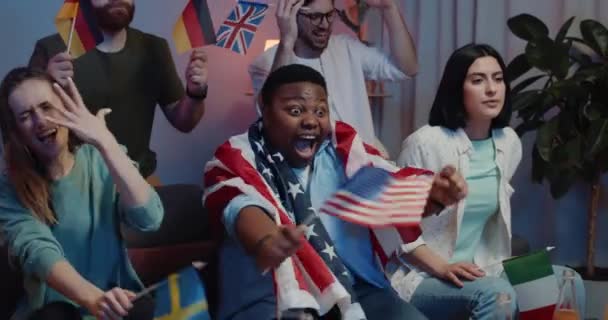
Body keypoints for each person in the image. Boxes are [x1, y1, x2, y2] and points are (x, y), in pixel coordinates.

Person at [204, 64, 468, 320]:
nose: (310, 121)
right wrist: (268, 240)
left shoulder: (345, 151)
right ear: (265, 108)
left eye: (320, 111)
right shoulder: (240, 156)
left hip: (363, 289)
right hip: (290, 296)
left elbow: (387, 195)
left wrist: (434, 197)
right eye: (295, 110)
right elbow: (239, 204)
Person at [391, 43, 586, 319]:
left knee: (568, 281)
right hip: (424, 275)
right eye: (478, 80)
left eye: (498, 79)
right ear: (457, 88)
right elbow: (396, 227)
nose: (492, 89)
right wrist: (443, 267)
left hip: (486, 268)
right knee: (496, 294)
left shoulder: (508, 142)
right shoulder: (425, 143)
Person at [0, 67, 164, 319]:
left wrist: (106, 143)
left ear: (66, 107)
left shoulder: (102, 158)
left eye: (46, 106)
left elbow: (150, 219)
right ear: (17, 131)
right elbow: (38, 251)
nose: (40, 121)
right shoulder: (9, 186)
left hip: (115, 302)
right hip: (54, 311)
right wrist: (94, 299)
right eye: (25, 116)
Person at [29, 0, 208, 177]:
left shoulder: (154, 48)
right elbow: (22, 127)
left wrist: (195, 93)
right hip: (71, 182)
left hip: (135, 178)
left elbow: (184, 122)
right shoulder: (52, 49)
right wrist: (46, 85)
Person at [249, 0, 417, 148]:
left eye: (329, 15)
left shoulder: (347, 47)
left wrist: (389, 8)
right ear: (292, 15)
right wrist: (286, 41)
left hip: (363, 168)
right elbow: (268, 115)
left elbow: (406, 69)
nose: (324, 25)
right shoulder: (267, 62)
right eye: (314, 16)